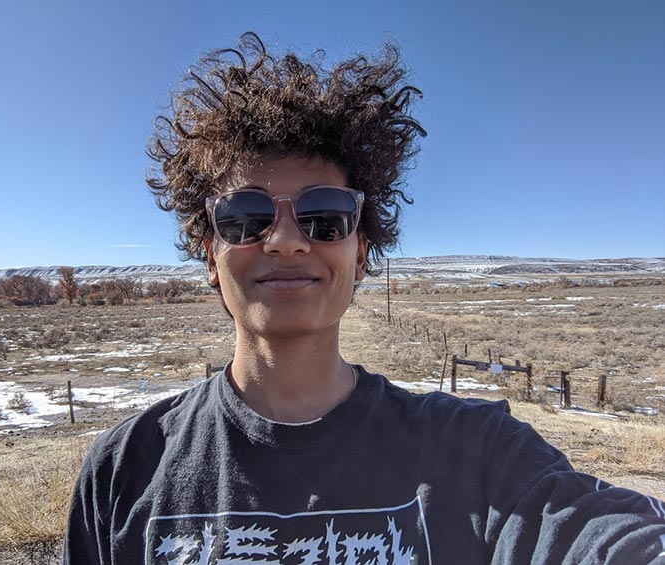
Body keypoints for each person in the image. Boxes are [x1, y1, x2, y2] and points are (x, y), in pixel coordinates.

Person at [63, 33, 665, 564]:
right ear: (208, 253)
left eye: (324, 216)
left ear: (362, 250)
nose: (287, 241)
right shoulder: (124, 472)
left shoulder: (476, 455)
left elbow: (598, 534)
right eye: (245, 217)